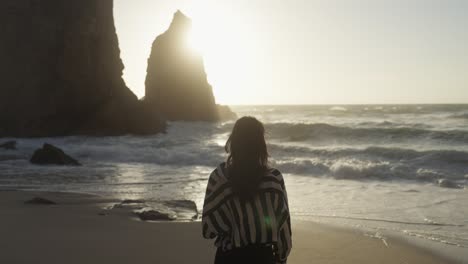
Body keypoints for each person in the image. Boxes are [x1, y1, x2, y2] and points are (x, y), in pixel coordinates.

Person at [202, 116, 292, 264]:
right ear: (261, 145)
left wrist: (236, 219)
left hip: (229, 258)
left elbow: (208, 229)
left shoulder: (219, 178)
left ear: (234, 142)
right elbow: (284, 232)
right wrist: (281, 259)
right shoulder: (274, 180)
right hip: (264, 258)